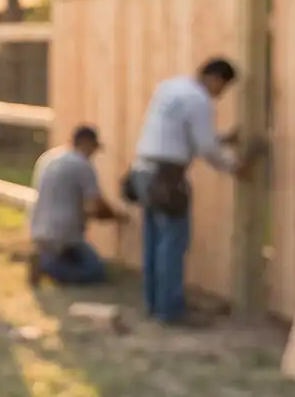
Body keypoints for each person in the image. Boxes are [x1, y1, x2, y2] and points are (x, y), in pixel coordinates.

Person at [128, 57, 263, 326]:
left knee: (155, 241)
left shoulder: (171, 88)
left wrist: (223, 137)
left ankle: (155, 305)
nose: (219, 95)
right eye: (222, 89)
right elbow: (205, 148)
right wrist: (236, 167)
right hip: (167, 178)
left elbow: (178, 133)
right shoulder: (199, 99)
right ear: (215, 79)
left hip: (143, 172)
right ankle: (170, 311)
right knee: (172, 243)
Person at [27, 125, 118, 286]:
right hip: (65, 235)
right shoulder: (82, 164)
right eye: (94, 147)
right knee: (95, 272)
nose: (94, 153)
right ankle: (47, 265)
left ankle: (46, 258)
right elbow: (96, 206)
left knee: (75, 256)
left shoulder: (49, 157)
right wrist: (118, 216)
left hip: (38, 229)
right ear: (86, 143)